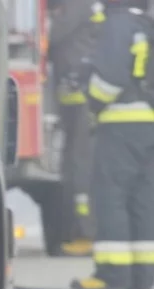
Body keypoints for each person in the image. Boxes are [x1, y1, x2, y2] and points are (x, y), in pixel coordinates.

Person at [74, 0, 154, 289]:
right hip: (149, 125)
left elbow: (110, 77)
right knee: (143, 199)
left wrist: (93, 100)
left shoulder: (118, 23)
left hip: (120, 124)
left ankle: (113, 273)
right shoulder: (146, 23)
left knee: (112, 196)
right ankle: (144, 274)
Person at [47, 0, 107, 255]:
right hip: (77, 98)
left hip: (80, 99)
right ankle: (80, 230)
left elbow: (52, 36)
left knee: (79, 166)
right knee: (74, 165)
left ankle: (86, 233)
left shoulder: (78, 3)